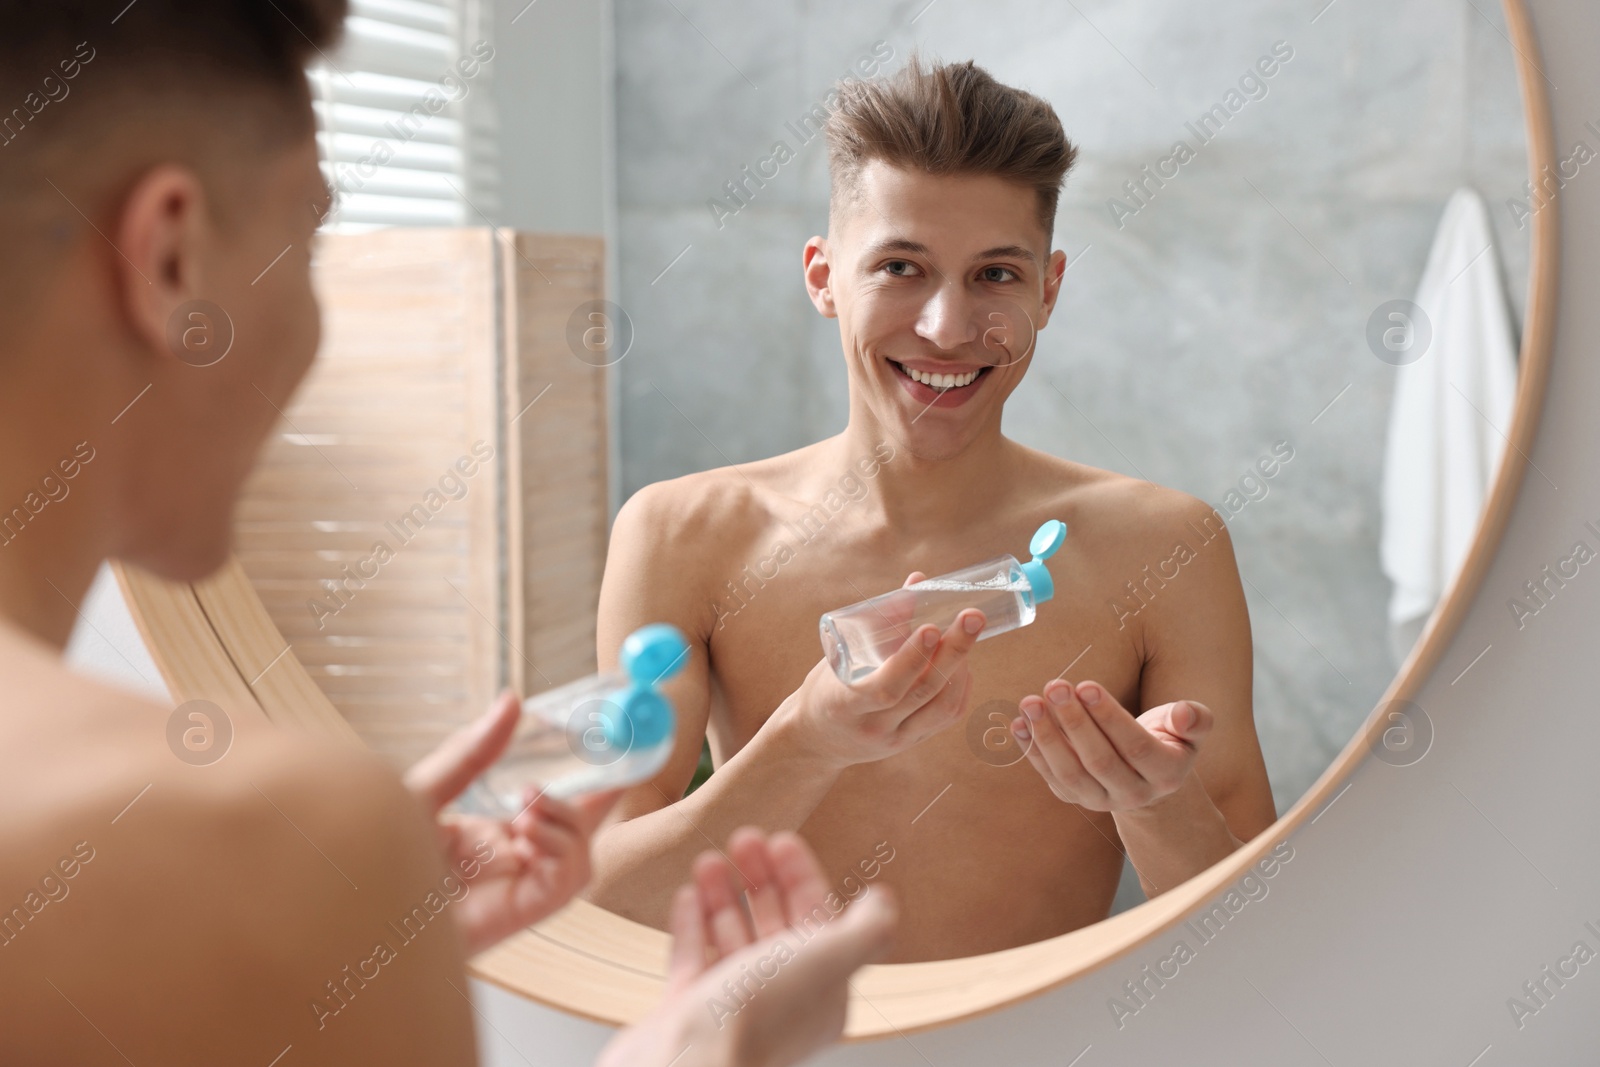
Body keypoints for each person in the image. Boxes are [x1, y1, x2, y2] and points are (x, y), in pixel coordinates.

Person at [0, 2, 894, 1064]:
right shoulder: (228, 829)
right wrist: (709, 1045)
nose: (316, 325)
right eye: (308, 234)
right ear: (171, 259)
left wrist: (340, 935)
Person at [591, 56, 1279, 961]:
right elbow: (604, 898)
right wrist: (805, 741)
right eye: (901, 267)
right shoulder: (684, 535)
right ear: (823, 276)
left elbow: (1257, 937)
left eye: (996, 275)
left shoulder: (1166, 547)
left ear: (1050, 288)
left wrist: (1153, 802)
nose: (949, 328)